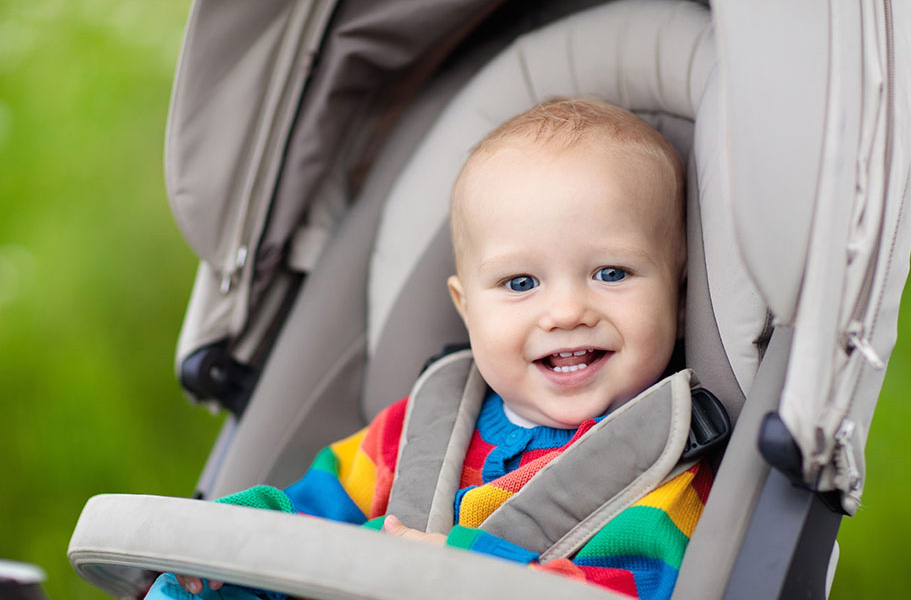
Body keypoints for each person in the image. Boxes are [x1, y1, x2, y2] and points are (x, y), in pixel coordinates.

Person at [146, 97, 711, 600]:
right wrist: (238, 534)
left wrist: (471, 575)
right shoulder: (416, 429)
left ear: (679, 299)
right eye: (520, 283)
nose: (565, 312)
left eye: (611, 272)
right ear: (467, 309)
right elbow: (310, 519)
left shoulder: (665, 471)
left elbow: (639, 586)